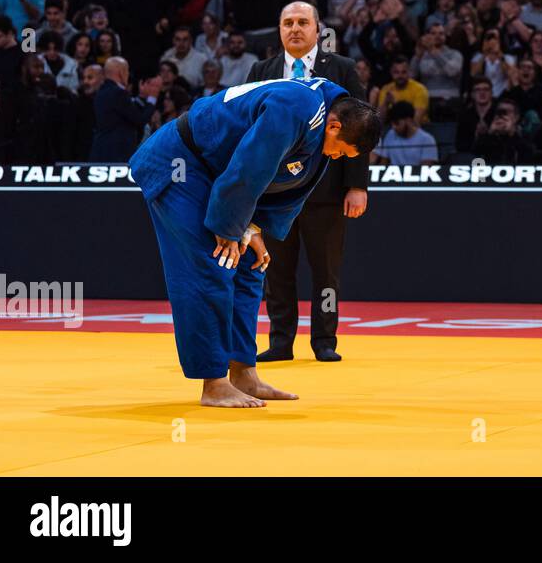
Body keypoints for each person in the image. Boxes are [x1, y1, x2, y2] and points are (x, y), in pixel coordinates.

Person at [128, 78, 380, 407]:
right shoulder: (297, 107)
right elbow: (249, 169)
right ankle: (214, 382)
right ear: (335, 126)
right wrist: (230, 227)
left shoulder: (320, 121)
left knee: (250, 264)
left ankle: (243, 372)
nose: (337, 156)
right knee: (214, 263)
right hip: (181, 163)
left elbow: (282, 187)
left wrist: (253, 228)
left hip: (218, 175)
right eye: (342, 150)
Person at [245, 1, 371, 363]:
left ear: (318, 29)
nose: (295, 29)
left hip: (326, 190)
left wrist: (357, 185)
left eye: (303, 22)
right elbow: (249, 128)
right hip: (274, 191)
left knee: (326, 272)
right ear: (279, 30)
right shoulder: (262, 70)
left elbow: (359, 127)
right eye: (288, 23)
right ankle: (280, 341)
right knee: (276, 270)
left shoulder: (342, 68)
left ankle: (325, 341)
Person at [89, 57, 161, 162]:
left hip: (103, 150)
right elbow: (140, 120)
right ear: (121, 72)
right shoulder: (118, 93)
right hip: (116, 153)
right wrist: (152, 99)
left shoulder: (102, 92)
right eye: (127, 70)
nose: (128, 74)